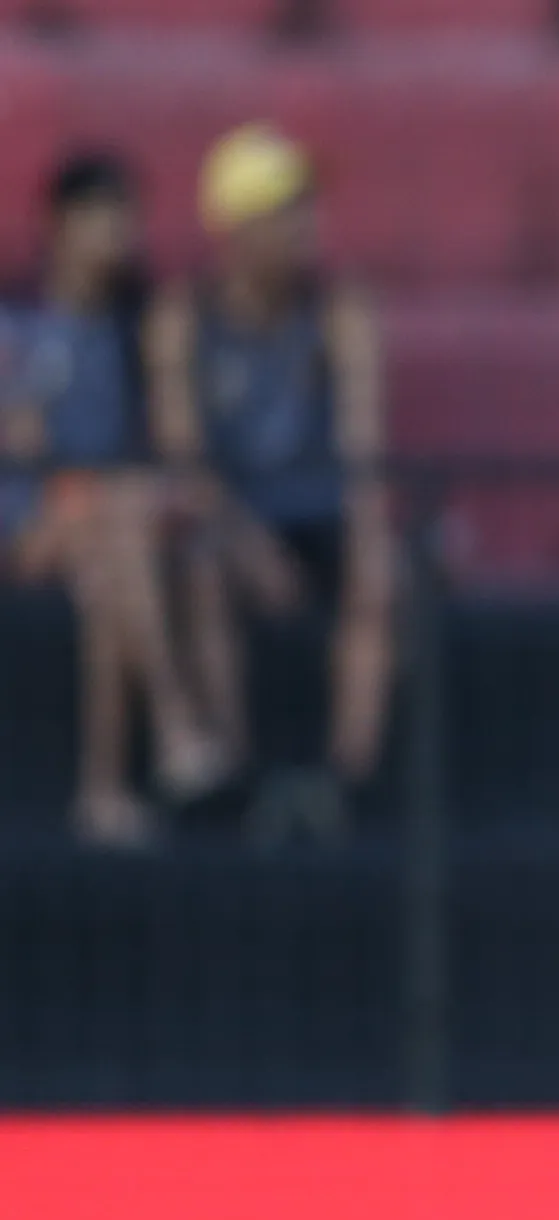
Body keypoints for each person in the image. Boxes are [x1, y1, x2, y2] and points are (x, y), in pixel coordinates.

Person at [148, 122, 399, 830]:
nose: (307, 224)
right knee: (199, 559)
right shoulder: (184, 317)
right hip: (234, 514)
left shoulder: (340, 309)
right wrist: (249, 545)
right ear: (240, 227)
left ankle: (349, 780)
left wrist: (370, 527)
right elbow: (184, 456)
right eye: (289, 209)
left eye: (307, 206)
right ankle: (234, 767)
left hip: (318, 509)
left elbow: (363, 447)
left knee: (376, 569)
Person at [3, 150, 230, 847]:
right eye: (99, 217)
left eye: (125, 218)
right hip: (26, 522)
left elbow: (169, 439)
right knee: (113, 515)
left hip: (108, 524)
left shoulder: (138, 325)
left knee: (111, 572)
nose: (117, 233)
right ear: (58, 225)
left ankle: (102, 794)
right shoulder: (18, 323)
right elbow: (21, 447)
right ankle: (173, 724)